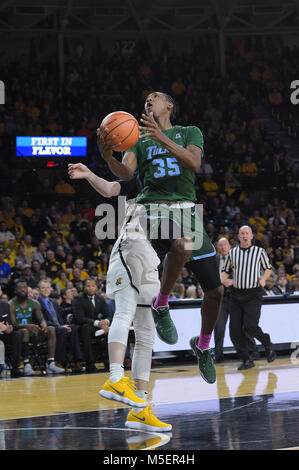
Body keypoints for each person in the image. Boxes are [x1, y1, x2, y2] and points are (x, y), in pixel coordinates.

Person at [96, 91, 223, 384]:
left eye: (156, 96)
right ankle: (161, 303)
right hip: (151, 208)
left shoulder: (190, 131)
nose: (149, 99)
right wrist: (107, 157)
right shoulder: (138, 139)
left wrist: (162, 138)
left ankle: (203, 346)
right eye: (146, 98)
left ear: (169, 105)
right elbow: (126, 173)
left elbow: (193, 163)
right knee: (180, 245)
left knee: (216, 292)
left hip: (188, 209)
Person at [68, 163, 172, 432]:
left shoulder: (178, 194)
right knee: (124, 312)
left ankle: (141, 409)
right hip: (129, 248)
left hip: (151, 261)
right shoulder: (143, 180)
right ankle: (115, 377)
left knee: (147, 334)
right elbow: (112, 189)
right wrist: (90, 175)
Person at [221, 225, 276, 370]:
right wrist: (220, 281)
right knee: (234, 331)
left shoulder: (259, 252)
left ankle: (267, 343)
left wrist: (264, 278)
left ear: (252, 236)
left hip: (253, 294)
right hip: (236, 295)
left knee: (250, 327)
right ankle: (246, 359)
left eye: (247, 233)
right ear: (238, 237)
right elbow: (225, 271)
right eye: (242, 234)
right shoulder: (232, 253)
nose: (245, 236)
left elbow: (268, 268)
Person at [9, 280, 65, 375]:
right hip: (19, 336)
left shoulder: (35, 303)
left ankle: (51, 363)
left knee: (51, 329)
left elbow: (41, 320)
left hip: (34, 335)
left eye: (25, 288)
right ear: (15, 290)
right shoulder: (11, 304)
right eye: (20, 288)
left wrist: (44, 325)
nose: (23, 290)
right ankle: (26, 364)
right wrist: (27, 326)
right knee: (25, 331)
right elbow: (13, 325)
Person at [38, 279, 84, 373]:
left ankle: (78, 361)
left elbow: (61, 312)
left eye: (47, 287)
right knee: (62, 330)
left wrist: (77, 307)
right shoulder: (37, 303)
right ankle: (59, 362)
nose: (46, 290)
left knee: (73, 328)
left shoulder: (53, 302)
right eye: (43, 288)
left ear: (51, 289)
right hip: (46, 330)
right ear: (39, 290)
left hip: (59, 327)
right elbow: (42, 321)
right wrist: (60, 326)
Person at [72, 278, 112, 373]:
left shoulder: (100, 299)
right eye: (88, 286)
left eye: (93, 286)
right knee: (85, 329)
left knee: (111, 330)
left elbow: (109, 315)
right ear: (84, 287)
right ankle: (90, 363)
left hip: (95, 326)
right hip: (81, 326)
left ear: (96, 288)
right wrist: (98, 323)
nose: (90, 288)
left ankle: (108, 361)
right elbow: (79, 318)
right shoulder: (78, 299)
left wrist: (106, 322)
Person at [214, 238, 233, 363]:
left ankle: (251, 353)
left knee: (242, 327)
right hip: (220, 298)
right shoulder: (214, 260)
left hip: (236, 297)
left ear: (229, 246)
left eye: (224, 245)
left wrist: (233, 281)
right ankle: (218, 355)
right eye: (220, 245)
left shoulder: (237, 257)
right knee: (219, 327)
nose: (222, 247)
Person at [0, 286, 23, 377]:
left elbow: (9, 323)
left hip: (4, 334)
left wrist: (8, 329)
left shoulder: (6, 305)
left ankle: (15, 368)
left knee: (16, 335)